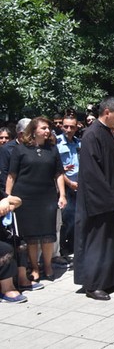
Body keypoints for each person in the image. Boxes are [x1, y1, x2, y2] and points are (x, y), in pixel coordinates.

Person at [74, 96, 114, 301]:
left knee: (111, 240)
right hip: (99, 201)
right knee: (98, 242)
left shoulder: (107, 132)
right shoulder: (91, 135)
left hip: (111, 197)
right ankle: (94, 284)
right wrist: (110, 198)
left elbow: (106, 162)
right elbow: (92, 172)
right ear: (107, 112)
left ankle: (112, 279)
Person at [6, 117, 66, 282]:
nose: (47, 131)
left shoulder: (52, 149)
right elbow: (12, 175)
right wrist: (7, 197)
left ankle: (47, 266)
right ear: (33, 131)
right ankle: (34, 268)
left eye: (48, 128)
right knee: (31, 236)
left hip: (47, 196)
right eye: (43, 128)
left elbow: (59, 173)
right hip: (25, 197)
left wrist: (62, 195)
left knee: (48, 234)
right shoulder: (20, 150)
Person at [56, 115, 81, 259]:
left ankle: (73, 246)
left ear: (77, 127)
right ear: (61, 127)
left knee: (77, 218)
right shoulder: (57, 143)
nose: (69, 129)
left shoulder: (79, 143)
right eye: (66, 126)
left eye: (72, 127)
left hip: (79, 185)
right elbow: (57, 169)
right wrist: (69, 183)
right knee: (65, 219)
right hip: (65, 186)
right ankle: (63, 249)